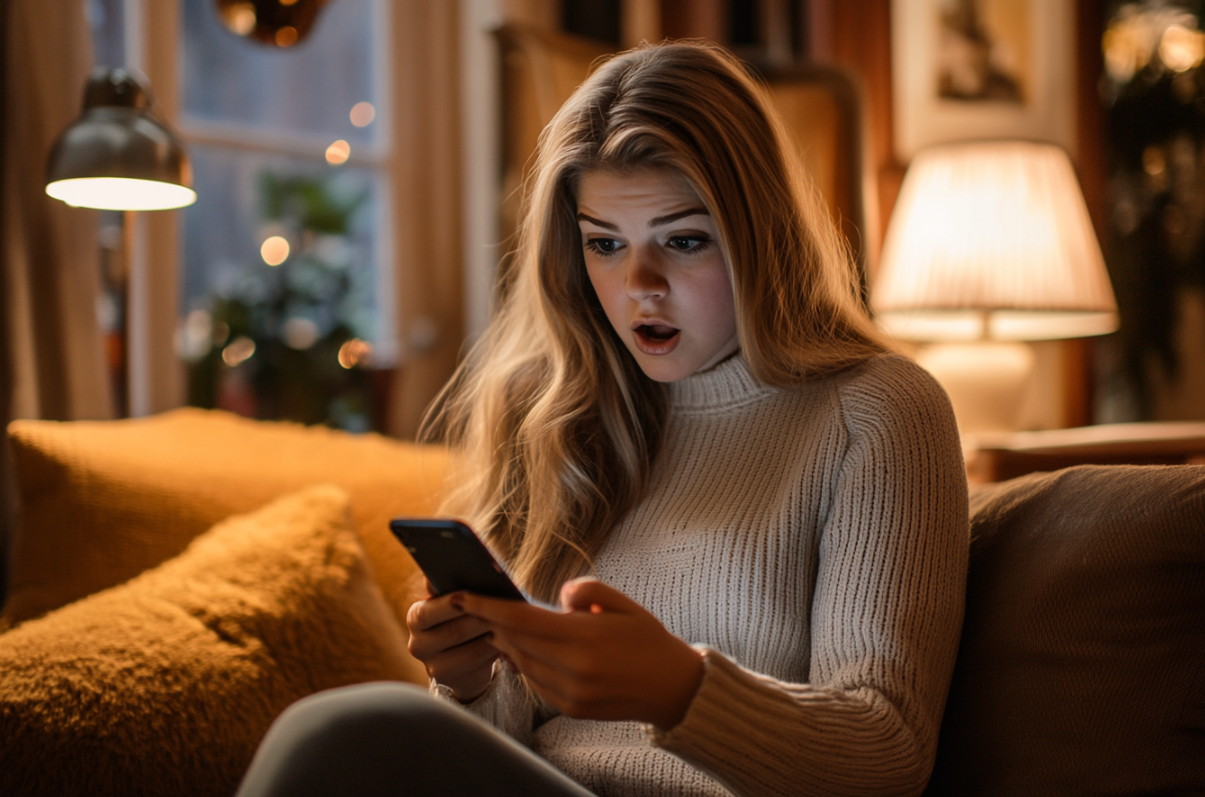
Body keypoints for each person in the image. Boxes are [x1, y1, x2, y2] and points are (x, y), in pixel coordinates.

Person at [235, 40, 969, 797]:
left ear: (760, 235)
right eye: (604, 244)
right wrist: (470, 683)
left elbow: (887, 753)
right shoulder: (561, 415)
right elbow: (500, 751)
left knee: (347, 731)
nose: (637, 285)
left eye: (682, 241)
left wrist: (679, 689)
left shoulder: (876, 411)